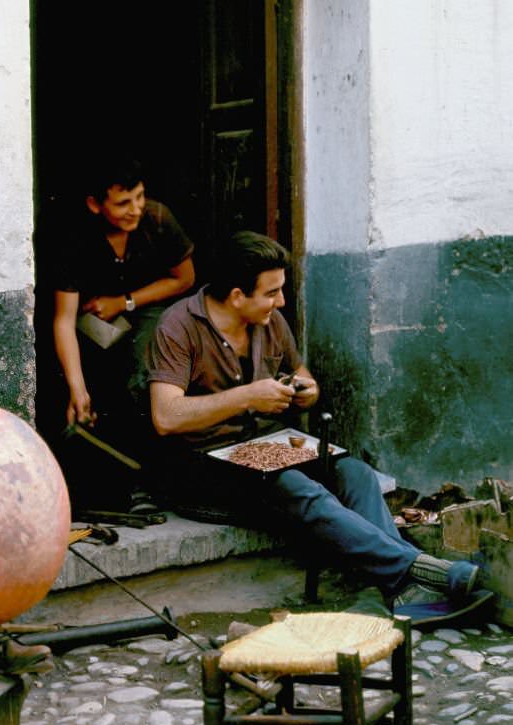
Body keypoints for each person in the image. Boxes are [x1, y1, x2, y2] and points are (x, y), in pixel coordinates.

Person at [144, 230, 481, 617]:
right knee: (295, 486)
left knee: (355, 473)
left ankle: (397, 583)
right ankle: (412, 568)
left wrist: (306, 390)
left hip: (262, 446)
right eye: (271, 292)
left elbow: (302, 374)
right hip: (200, 463)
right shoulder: (178, 326)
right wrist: (249, 396)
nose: (282, 301)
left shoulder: (269, 322)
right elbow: (165, 417)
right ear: (237, 296)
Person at [51, 156, 195, 510]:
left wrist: (125, 302)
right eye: (123, 203)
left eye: (140, 197)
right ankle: (93, 489)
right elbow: (63, 320)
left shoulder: (158, 219)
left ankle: (148, 484)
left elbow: (185, 279)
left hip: (150, 309)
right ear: (94, 204)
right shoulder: (74, 237)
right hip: (95, 324)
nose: (136, 209)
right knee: (81, 391)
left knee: (141, 378)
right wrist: (77, 388)